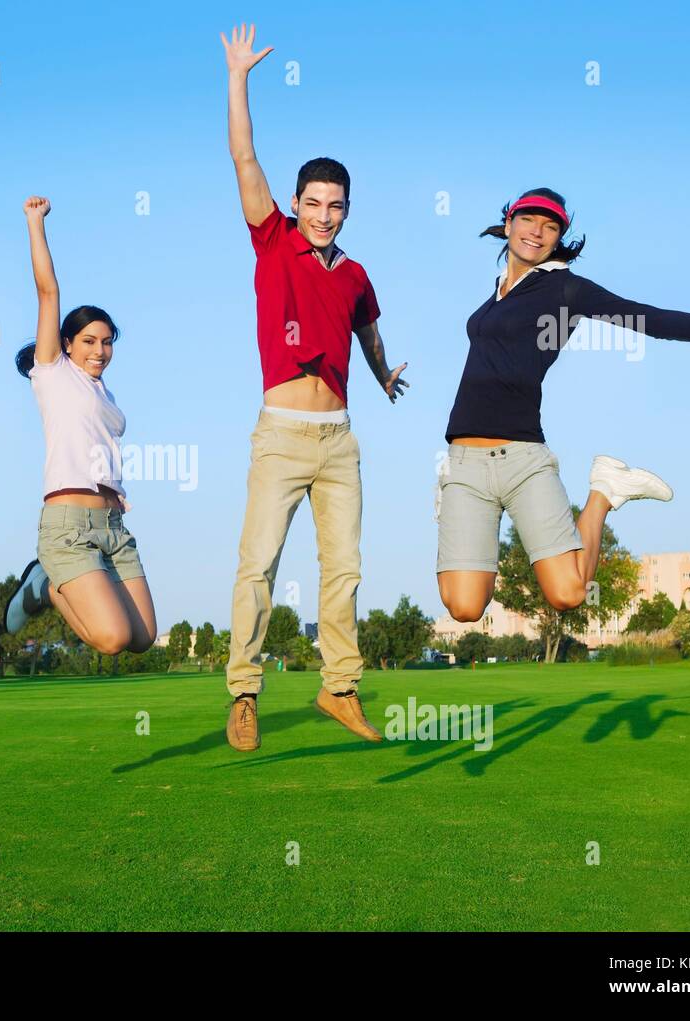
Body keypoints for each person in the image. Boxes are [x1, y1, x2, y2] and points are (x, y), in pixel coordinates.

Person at [436, 187, 690, 626]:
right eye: (529, 220)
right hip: (464, 461)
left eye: (551, 227)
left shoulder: (564, 289)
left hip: (522, 456)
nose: (538, 232)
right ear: (508, 223)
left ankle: (604, 492)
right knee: (464, 607)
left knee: (568, 593)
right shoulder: (496, 296)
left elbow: (651, 318)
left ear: (558, 238)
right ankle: (448, 495)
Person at [220, 24, 408, 753]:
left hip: (340, 439)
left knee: (346, 568)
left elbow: (366, 332)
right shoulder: (273, 238)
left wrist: (384, 372)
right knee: (258, 562)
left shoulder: (357, 274)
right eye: (314, 201)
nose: (324, 214)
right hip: (281, 433)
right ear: (296, 201)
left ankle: (339, 686)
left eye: (336, 205)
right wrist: (238, 77)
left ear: (347, 210)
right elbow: (243, 156)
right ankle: (243, 691)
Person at [3, 197, 157, 655]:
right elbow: (48, 291)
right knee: (112, 639)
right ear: (66, 344)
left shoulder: (103, 394)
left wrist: (116, 492)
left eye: (107, 342)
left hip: (112, 525)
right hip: (68, 526)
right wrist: (35, 223)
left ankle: (56, 581)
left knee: (143, 638)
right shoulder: (52, 375)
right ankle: (47, 585)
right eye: (89, 340)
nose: (100, 349)